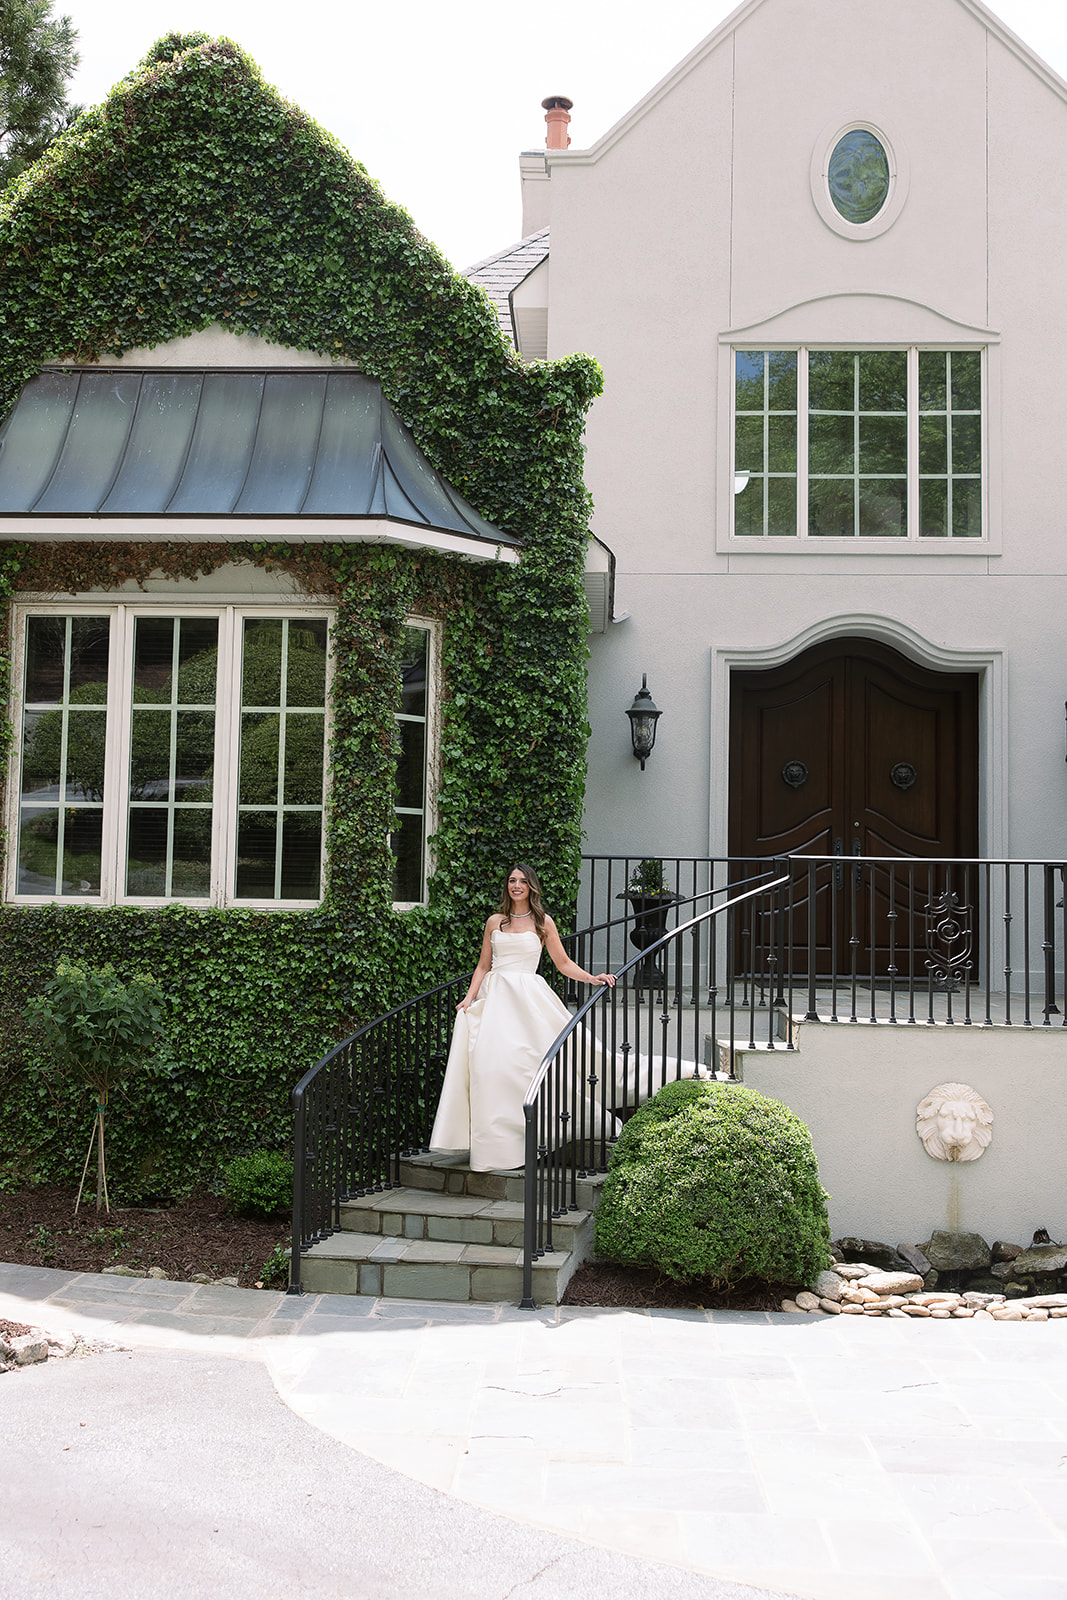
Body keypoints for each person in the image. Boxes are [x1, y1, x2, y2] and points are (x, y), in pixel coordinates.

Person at [429, 863, 616, 1172]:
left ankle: (534, 1134)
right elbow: (483, 966)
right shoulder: (495, 922)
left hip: (528, 999)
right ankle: (494, 1148)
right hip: (496, 1000)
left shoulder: (544, 923)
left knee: (527, 1064)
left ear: (531, 887)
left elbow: (563, 963)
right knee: (491, 1069)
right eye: (512, 880)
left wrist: (592, 978)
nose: (516, 885)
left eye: (522, 881)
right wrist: (468, 998)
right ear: (508, 886)